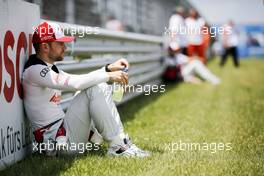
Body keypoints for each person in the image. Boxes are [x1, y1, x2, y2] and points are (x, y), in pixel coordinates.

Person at [22, 22, 150, 157]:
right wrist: (108, 75)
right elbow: (76, 83)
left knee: (93, 86)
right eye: (60, 43)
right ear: (45, 47)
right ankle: (118, 147)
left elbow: (81, 79)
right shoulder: (35, 71)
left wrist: (107, 69)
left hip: (61, 135)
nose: (65, 47)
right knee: (96, 87)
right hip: (57, 146)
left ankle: (120, 144)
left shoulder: (45, 68)